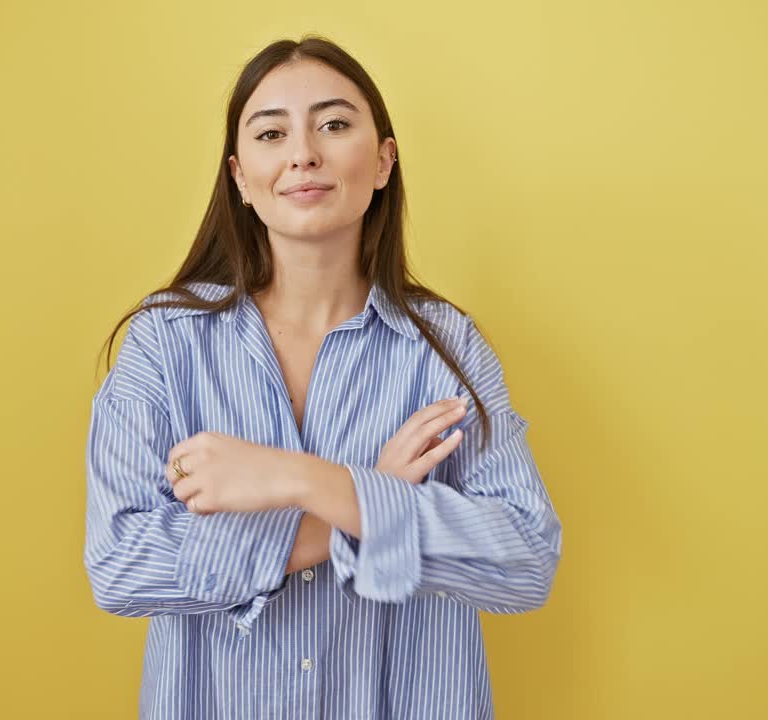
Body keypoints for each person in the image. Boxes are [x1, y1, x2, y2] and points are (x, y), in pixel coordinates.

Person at [83, 34, 563, 720]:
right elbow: (121, 565)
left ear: (383, 161)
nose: (303, 153)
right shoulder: (165, 342)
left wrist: (302, 480)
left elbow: (525, 559)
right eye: (271, 133)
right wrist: (370, 503)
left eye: (334, 124)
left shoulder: (446, 346)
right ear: (241, 178)